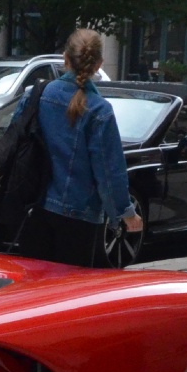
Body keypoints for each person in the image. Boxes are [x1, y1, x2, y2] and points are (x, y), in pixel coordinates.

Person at [12, 28, 142, 267]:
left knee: (34, 293)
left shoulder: (36, 95)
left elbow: (14, 143)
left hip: (34, 209)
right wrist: (124, 214)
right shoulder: (99, 111)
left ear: (65, 58)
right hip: (79, 218)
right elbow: (108, 171)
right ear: (99, 64)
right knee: (69, 293)